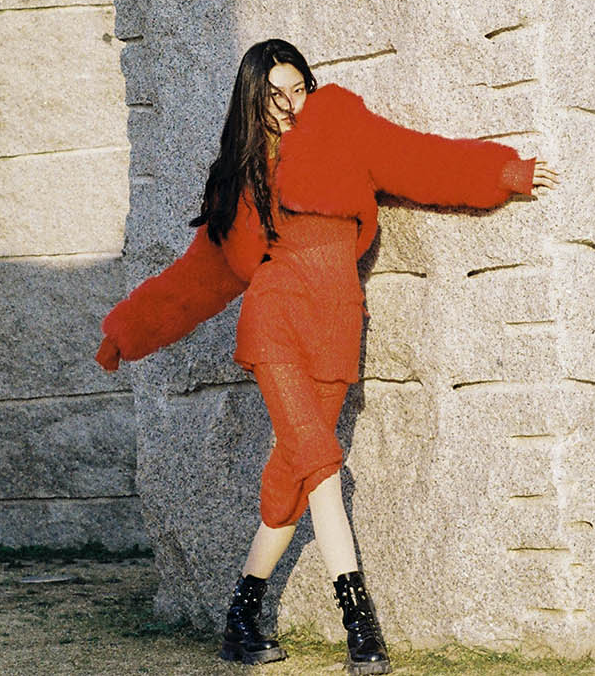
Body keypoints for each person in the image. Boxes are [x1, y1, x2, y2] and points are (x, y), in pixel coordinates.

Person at [95, 38, 557, 674]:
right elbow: (196, 279)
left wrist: (504, 172)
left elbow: (417, 158)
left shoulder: (340, 123)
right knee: (320, 463)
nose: (290, 105)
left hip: (337, 324)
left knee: (293, 472)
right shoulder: (240, 177)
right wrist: (127, 330)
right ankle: (360, 625)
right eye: (274, 96)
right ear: (252, 102)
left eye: (298, 89)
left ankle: (240, 620)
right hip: (275, 323)